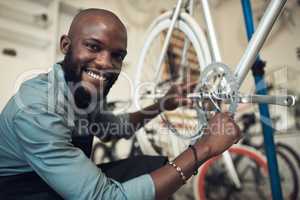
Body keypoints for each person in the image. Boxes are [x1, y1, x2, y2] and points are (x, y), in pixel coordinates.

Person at [0, 8, 241, 200]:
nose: (106, 63)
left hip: (49, 181)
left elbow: (116, 128)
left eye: (117, 55)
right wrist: (204, 148)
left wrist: (162, 104)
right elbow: (105, 197)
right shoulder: (37, 108)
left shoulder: (83, 92)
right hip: (21, 191)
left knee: (153, 168)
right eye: (93, 47)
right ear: (66, 45)